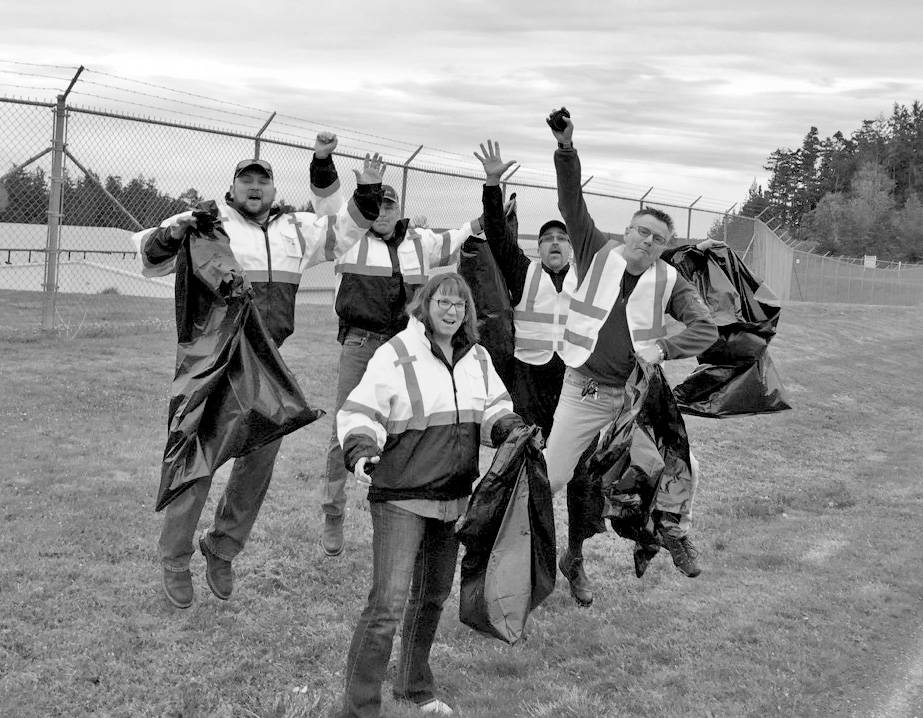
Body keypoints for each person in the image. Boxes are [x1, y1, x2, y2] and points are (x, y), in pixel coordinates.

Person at [140, 134, 386, 608]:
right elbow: (151, 258)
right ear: (232, 187)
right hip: (216, 365)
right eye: (246, 179)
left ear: (274, 189)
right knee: (198, 460)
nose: (255, 186)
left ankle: (223, 548)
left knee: (259, 460)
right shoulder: (208, 223)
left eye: (263, 180)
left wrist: (369, 190)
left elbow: (342, 232)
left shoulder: (295, 229)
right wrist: (173, 232)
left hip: (267, 361)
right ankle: (175, 559)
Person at [543, 111, 719, 592]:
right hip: (583, 392)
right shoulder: (594, 248)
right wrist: (566, 149)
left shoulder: (669, 280)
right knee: (551, 478)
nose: (646, 241)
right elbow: (570, 200)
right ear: (628, 231)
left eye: (658, 238)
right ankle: (511, 548)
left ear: (665, 247)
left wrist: (663, 347)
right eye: (641, 231)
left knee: (681, 466)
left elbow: (705, 329)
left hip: (631, 401)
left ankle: (673, 529)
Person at [336, 272, 522, 718]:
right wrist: (362, 449)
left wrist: (509, 429)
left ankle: (413, 685)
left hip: (454, 496)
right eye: (443, 301)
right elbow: (361, 409)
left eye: (460, 304)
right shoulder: (396, 353)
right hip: (401, 496)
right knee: (387, 604)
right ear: (425, 304)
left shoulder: (477, 358)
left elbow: (496, 406)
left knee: (432, 597)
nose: (452, 310)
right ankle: (358, 708)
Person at [320, 161, 488, 558]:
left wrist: (490, 211)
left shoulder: (420, 243)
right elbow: (327, 205)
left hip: (406, 346)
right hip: (360, 344)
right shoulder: (349, 238)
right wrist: (323, 163)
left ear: (399, 209)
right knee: (346, 427)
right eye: (376, 204)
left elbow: (461, 235)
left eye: (389, 204)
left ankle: (400, 501)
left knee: (412, 425)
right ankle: (333, 512)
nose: (382, 210)